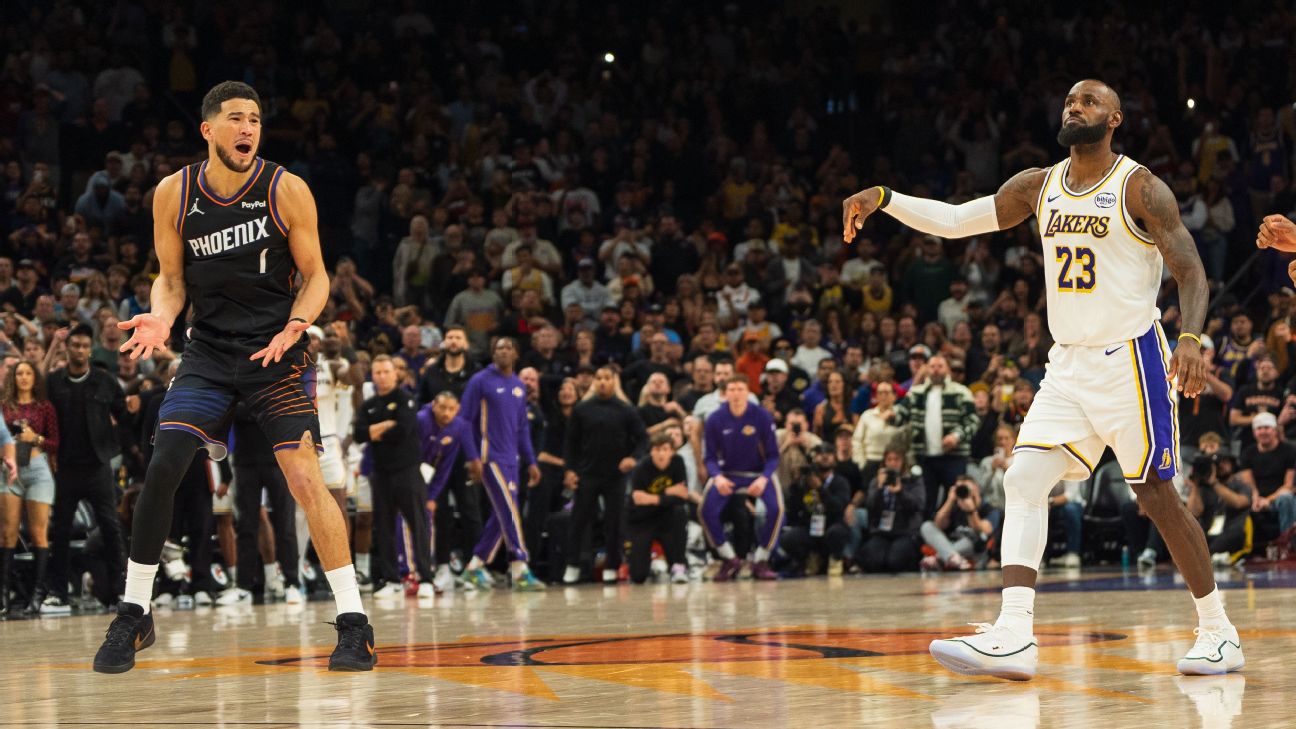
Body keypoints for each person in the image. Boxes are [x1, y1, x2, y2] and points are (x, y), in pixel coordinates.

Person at [844, 79, 1241, 678]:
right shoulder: (1039, 184)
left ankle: (1218, 632)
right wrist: (886, 197)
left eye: (1089, 102)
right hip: (1068, 365)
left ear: (1115, 119)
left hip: (1130, 361)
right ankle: (1014, 633)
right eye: (1070, 101)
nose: (1074, 107)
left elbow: (1190, 270)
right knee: (1023, 478)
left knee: (1157, 497)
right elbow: (956, 221)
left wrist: (1190, 338)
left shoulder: (1140, 187)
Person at [95, 82, 373, 674]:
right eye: (237, 119)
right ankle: (134, 612)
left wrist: (298, 324)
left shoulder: (285, 188)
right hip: (209, 355)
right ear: (208, 129)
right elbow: (172, 280)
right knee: (164, 462)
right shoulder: (174, 193)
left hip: (276, 352)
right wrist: (162, 317)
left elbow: (317, 275)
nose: (248, 129)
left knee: (303, 477)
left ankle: (355, 624)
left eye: (255, 119)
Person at [47, 325, 129, 616]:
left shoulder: (104, 380)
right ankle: (59, 592)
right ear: (67, 348)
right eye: (75, 345)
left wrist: (114, 447)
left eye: (84, 346)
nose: (80, 350)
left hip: (98, 465)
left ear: (90, 349)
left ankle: (121, 591)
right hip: (66, 466)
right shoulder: (54, 381)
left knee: (110, 527)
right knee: (60, 530)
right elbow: (39, 401)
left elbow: (123, 415)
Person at [458, 337, 545, 591]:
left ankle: (474, 567)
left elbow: (522, 428)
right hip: (489, 457)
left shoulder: (519, 386)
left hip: (512, 460)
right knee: (509, 510)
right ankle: (519, 567)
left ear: (516, 354)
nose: (503, 352)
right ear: (493, 353)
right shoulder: (480, 381)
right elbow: (464, 421)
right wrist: (473, 457)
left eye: (508, 348)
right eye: (499, 348)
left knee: (501, 514)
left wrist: (531, 461)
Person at [354, 355, 435, 599]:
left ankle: (426, 578)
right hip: (381, 473)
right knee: (384, 526)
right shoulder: (369, 405)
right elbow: (358, 434)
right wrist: (383, 426)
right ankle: (391, 579)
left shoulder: (406, 399)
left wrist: (374, 431)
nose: (381, 376)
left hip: (407, 471)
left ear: (395, 374)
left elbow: (402, 430)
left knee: (417, 523)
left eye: (386, 372)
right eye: (377, 372)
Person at [563, 367, 647, 584]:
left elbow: (642, 439)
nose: (602, 382)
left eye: (607, 378)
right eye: (598, 378)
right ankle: (573, 564)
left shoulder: (626, 410)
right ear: (594, 381)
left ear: (614, 381)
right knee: (579, 520)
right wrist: (570, 470)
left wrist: (633, 458)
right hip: (587, 474)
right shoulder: (582, 409)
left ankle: (612, 565)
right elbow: (571, 443)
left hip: (615, 476)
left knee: (615, 522)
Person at [700, 377, 782, 581]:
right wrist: (717, 477)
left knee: (776, 510)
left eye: (740, 389)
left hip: (757, 474)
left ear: (748, 393)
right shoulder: (714, 419)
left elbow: (773, 455)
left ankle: (761, 559)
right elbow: (709, 457)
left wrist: (764, 478)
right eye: (732, 389)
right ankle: (728, 557)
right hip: (727, 474)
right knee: (705, 510)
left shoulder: (761, 416)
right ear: (725, 393)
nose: (736, 393)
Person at [417, 391, 482, 590]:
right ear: (434, 405)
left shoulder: (460, 425)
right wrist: (428, 493)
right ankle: (440, 567)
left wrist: (475, 463)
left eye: (451, 409)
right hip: (424, 470)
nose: (447, 413)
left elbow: (466, 457)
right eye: (443, 408)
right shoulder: (421, 420)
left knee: (471, 513)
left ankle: (473, 567)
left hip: (451, 469)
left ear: (458, 409)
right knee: (439, 516)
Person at [1, 361, 51, 615]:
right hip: (8, 469)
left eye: (28, 373)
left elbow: (55, 442)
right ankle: (4, 595)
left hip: (37, 467)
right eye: (19, 373)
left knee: (38, 533)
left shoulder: (44, 406)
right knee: (7, 533)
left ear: (35, 377)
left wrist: (35, 438)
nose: (23, 377)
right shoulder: (4, 406)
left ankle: (38, 595)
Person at [625, 432, 693, 584]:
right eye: (657, 449)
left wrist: (652, 498)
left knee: (679, 511)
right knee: (638, 576)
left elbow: (682, 495)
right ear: (651, 452)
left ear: (672, 452)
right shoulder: (641, 467)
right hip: (643, 520)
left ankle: (679, 566)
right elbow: (637, 499)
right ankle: (651, 563)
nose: (661, 453)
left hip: (667, 519)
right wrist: (668, 492)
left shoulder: (678, 462)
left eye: (665, 449)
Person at [780, 443, 852, 577]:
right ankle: (808, 558)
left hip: (832, 526)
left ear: (834, 459)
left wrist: (820, 489)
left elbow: (838, 508)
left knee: (836, 532)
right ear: (813, 459)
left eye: (828, 454)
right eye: (820, 454)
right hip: (811, 527)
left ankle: (835, 559)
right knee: (788, 538)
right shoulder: (805, 482)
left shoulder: (840, 482)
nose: (824, 457)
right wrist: (796, 484)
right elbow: (793, 512)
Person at [859, 446, 926, 574]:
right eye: (889, 459)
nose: (893, 463)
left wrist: (900, 492)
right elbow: (870, 507)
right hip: (882, 532)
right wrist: (879, 488)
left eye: (896, 459)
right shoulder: (876, 481)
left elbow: (918, 506)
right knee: (874, 561)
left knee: (895, 561)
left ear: (903, 461)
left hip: (905, 531)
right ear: (884, 462)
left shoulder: (913, 480)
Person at [920, 474, 994, 572]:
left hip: (973, 546)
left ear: (976, 489)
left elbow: (984, 531)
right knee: (927, 526)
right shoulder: (954, 506)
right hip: (951, 541)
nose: (963, 491)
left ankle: (940, 558)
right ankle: (953, 557)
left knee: (972, 538)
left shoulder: (988, 509)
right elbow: (939, 525)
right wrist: (949, 501)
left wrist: (971, 511)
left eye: (966, 488)